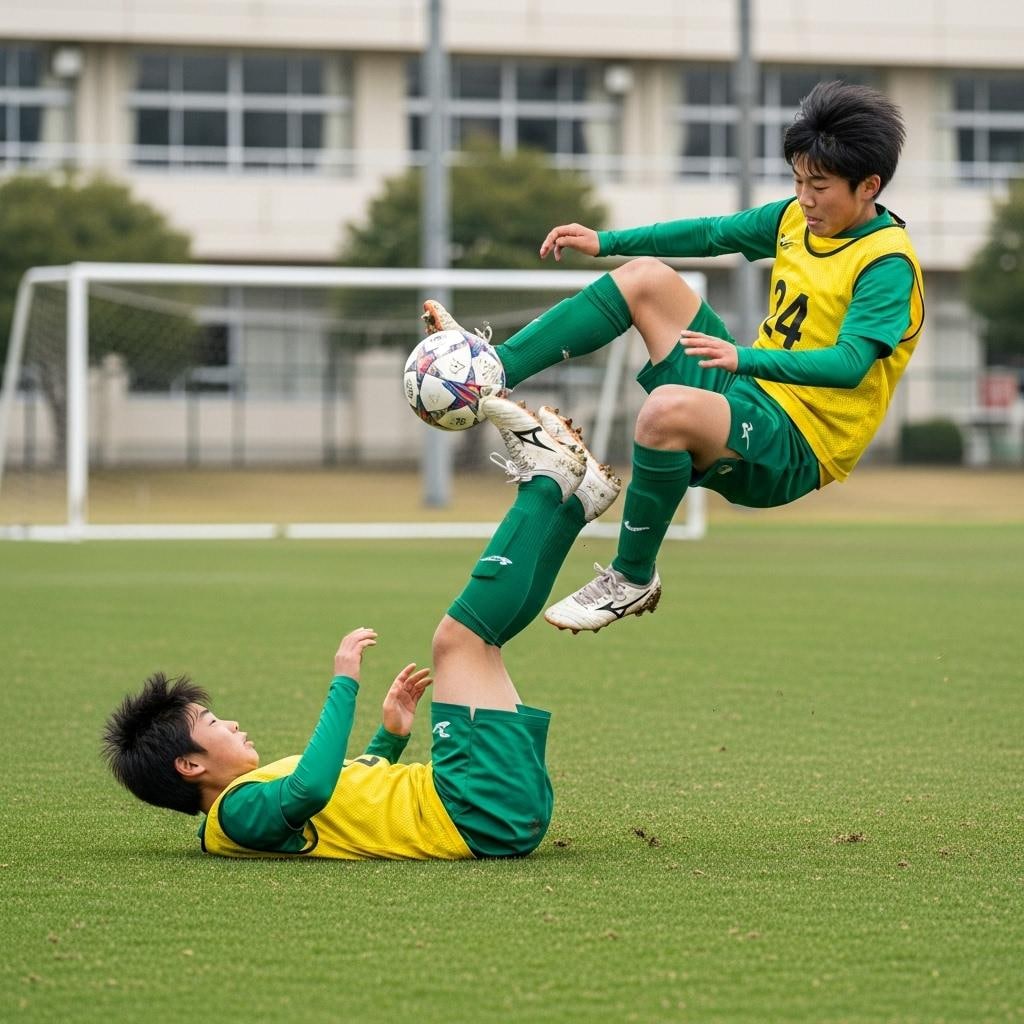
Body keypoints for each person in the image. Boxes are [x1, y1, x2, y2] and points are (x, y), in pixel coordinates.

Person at [422, 80, 924, 633]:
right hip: (752, 395)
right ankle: (492, 369)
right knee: (644, 280)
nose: (804, 197)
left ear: (868, 186)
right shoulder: (795, 220)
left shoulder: (886, 263)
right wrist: (606, 241)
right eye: (798, 180)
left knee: (665, 410)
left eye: (819, 185)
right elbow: (711, 234)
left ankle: (631, 577)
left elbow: (851, 365)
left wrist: (743, 359)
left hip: (801, 444)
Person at [102, 395, 621, 860]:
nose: (231, 725)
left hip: (484, 808)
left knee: (482, 643)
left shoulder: (254, 795)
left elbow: (349, 794)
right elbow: (311, 788)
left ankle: (575, 503)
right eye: (212, 725)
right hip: (468, 810)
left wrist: (389, 736)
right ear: (190, 767)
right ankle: (545, 483)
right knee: (457, 640)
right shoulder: (232, 817)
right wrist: (344, 682)